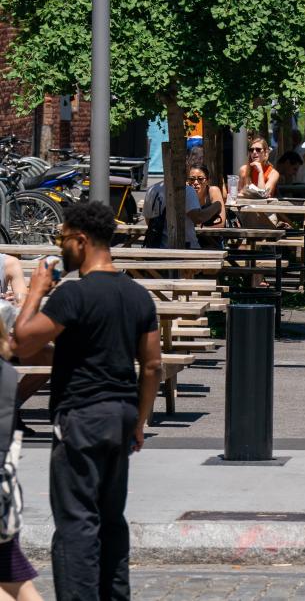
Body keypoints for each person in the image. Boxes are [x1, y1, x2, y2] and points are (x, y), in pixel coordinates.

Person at [13, 201, 160, 599]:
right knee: (111, 520)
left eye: (63, 240)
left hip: (80, 417)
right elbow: (151, 366)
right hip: (121, 416)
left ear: (81, 240)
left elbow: (23, 341)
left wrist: (37, 290)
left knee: (76, 521)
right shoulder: (138, 296)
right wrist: (140, 422)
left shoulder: (73, 296)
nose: (61, 248)